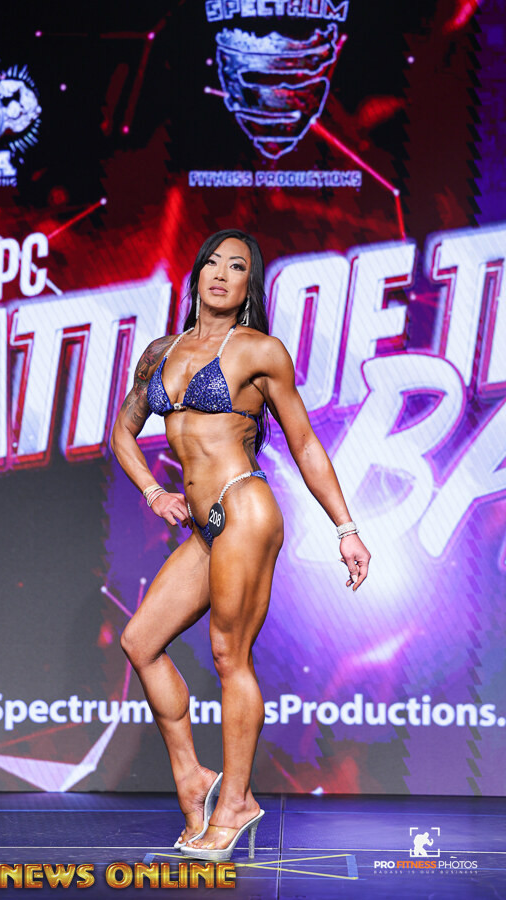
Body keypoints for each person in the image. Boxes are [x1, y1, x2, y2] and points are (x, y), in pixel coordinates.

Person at [110, 228, 370, 861]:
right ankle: (191, 778)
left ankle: (235, 803)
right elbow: (121, 433)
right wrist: (154, 492)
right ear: (197, 274)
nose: (222, 274)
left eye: (237, 267)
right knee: (140, 641)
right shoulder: (160, 352)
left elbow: (303, 442)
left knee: (230, 655)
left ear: (249, 285)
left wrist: (345, 528)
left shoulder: (260, 350)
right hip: (204, 526)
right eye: (214, 263)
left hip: (244, 507)